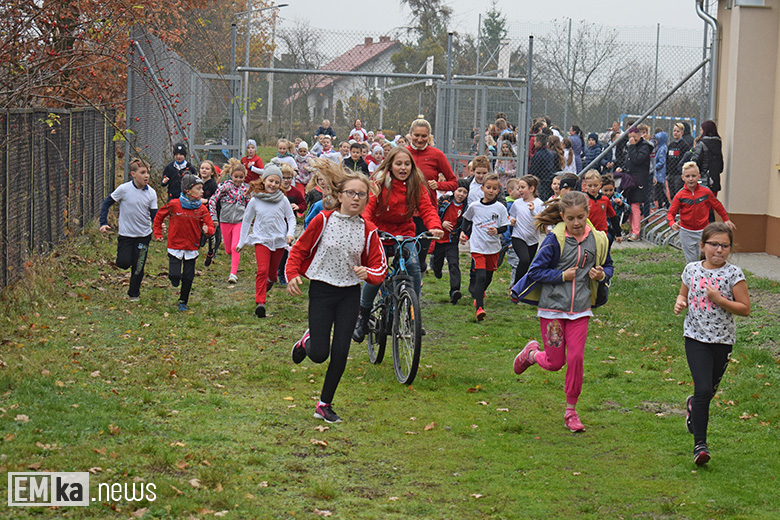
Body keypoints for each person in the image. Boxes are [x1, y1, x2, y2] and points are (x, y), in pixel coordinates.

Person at [286, 160, 387, 424]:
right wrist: (292, 274)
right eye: (351, 193)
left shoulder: (368, 229)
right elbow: (299, 249)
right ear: (340, 196)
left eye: (361, 194)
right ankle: (307, 342)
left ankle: (324, 404)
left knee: (341, 352)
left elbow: (380, 265)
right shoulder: (323, 220)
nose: (356, 198)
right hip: (322, 289)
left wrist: (369, 274)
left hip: (349, 293)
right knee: (320, 354)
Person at [511, 191, 614, 432]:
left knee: (576, 358)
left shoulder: (598, 240)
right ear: (562, 216)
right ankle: (531, 354)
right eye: (570, 218)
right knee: (555, 363)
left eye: (580, 217)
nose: (576, 223)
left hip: (580, 309)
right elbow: (535, 272)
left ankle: (571, 411)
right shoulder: (553, 240)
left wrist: (602, 274)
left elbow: (608, 266)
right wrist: (560, 276)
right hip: (553, 310)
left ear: (587, 213)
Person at [673, 222, 750, 466]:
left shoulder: (733, 274)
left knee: (708, 391)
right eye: (714, 244)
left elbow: (745, 308)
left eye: (725, 246)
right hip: (695, 338)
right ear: (702, 246)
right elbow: (683, 293)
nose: (719, 250)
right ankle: (700, 446)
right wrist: (680, 302)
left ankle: (693, 406)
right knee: (703, 388)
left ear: (730, 248)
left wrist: (719, 300)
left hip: (723, 341)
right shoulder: (692, 269)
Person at [352, 147, 444, 342]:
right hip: (379, 231)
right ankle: (363, 315)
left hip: (404, 232)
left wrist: (435, 227)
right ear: (390, 166)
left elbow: (427, 208)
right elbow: (368, 208)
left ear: (412, 167)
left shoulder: (416, 185)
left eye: (407, 164)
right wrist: (367, 228)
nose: (403, 168)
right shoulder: (378, 183)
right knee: (377, 274)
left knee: (414, 268)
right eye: (398, 164)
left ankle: (412, 315)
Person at [237, 159, 296, 318]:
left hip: (278, 240)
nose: (273, 184)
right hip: (261, 239)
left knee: (272, 275)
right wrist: (241, 241)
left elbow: (291, 218)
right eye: (271, 181)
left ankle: (267, 284)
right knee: (262, 270)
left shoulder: (283, 199)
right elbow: (247, 220)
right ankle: (260, 302)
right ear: (264, 180)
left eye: (277, 182)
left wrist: (290, 234)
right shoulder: (255, 200)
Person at [153, 174, 215, 312]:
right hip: (175, 245)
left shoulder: (201, 209)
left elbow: (210, 225)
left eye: (202, 188)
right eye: (198, 188)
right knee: (174, 275)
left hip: (192, 247)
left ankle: (183, 301)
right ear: (188, 190)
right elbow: (159, 217)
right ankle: (174, 278)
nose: (202, 192)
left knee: (188, 277)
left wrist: (208, 230)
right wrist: (158, 233)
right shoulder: (174, 205)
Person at [99, 158, 158, 301]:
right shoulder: (124, 189)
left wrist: (158, 226)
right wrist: (103, 223)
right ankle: (130, 258)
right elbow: (106, 203)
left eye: (148, 173)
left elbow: (154, 214)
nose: (146, 176)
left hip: (143, 235)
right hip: (126, 234)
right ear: (133, 174)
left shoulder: (151, 193)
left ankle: (134, 294)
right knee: (123, 262)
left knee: (138, 266)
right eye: (142, 172)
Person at [405, 118, 459, 272]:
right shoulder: (403, 154)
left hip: (426, 213)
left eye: (424, 136)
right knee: (404, 255)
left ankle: (417, 284)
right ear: (410, 134)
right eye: (416, 135)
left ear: (429, 136)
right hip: (404, 212)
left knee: (420, 259)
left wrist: (439, 185)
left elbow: (454, 182)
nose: (420, 139)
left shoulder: (436, 155)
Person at [460, 173, 510, 321]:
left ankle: (479, 294)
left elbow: (505, 227)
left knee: (488, 277)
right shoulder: (474, 206)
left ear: (498, 191)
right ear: (482, 188)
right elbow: (466, 219)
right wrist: (463, 232)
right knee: (480, 276)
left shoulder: (500, 208)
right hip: (477, 247)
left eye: (494, 188)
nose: (490, 191)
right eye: (488, 187)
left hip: (493, 248)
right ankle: (479, 308)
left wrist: (497, 230)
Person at [667, 162, 736, 264]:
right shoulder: (680, 195)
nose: (691, 179)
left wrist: (726, 219)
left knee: (705, 259)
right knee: (691, 262)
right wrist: (672, 223)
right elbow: (670, 213)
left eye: (694, 176)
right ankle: (692, 274)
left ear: (699, 177)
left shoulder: (706, 192)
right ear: (683, 178)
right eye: (687, 176)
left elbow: (717, 205)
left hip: (703, 231)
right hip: (686, 232)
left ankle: (706, 273)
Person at [209, 158, 249, 284]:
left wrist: (250, 220)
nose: (238, 179)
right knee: (228, 250)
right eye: (236, 177)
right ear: (231, 175)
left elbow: (250, 206)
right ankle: (232, 258)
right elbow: (212, 200)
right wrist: (214, 217)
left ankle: (233, 274)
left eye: (241, 177)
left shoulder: (245, 190)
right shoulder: (225, 187)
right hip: (225, 221)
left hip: (239, 222)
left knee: (235, 247)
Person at [616, 126, 653, 241]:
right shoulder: (630, 147)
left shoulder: (645, 147)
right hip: (630, 180)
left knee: (635, 205)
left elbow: (637, 160)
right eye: (630, 137)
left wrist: (632, 146)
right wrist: (622, 169)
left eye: (634, 137)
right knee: (630, 205)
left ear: (639, 135)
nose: (632, 139)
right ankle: (632, 230)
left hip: (639, 180)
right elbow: (629, 161)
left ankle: (636, 232)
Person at [432, 185, 468, 305]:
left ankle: (454, 291)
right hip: (439, 237)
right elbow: (433, 212)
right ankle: (435, 267)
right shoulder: (444, 200)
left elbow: (466, 222)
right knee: (438, 262)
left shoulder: (466, 207)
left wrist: (463, 233)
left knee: (454, 263)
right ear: (454, 191)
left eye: (464, 192)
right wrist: (441, 223)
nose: (461, 194)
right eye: (459, 191)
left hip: (452, 240)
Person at [508, 175, 544, 288]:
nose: (520, 190)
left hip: (533, 239)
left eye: (523, 187)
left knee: (527, 264)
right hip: (518, 236)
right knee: (524, 260)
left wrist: (533, 211)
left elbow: (540, 221)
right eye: (519, 187)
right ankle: (515, 286)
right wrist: (512, 220)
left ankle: (521, 287)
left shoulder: (539, 204)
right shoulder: (517, 203)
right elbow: (511, 215)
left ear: (531, 188)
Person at [582, 169, 620, 249]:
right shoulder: (583, 199)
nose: (593, 188)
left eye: (595, 185)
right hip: (587, 234)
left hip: (602, 234)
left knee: (605, 252)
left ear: (600, 185)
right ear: (585, 185)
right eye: (590, 186)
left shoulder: (605, 200)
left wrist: (618, 233)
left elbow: (613, 216)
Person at [690, 120, 724, 208]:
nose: (700, 132)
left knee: (700, 206)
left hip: (702, 180)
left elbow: (695, 161)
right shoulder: (718, 144)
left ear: (705, 131)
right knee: (712, 204)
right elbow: (720, 167)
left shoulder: (701, 144)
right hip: (714, 180)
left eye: (701, 130)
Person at [198, 160, 220, 267]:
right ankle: (199, 244)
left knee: (214, 233)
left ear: (212, 172)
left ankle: (213, 251)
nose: (204, 170)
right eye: (202, 168)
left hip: (212, 212)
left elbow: (216, 199)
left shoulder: (213, 185)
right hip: (199, 212)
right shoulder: (197, 182)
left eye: (207, 169)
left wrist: (206, 200)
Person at [529, 133, 557, 200]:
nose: (534, 143)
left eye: (535, 141)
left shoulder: (537, 155)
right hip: (547, 179)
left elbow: (534, 169)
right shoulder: (550, 153)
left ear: (539, 143)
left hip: (539, 180)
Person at [666, 123, 687, 200]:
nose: (675, 133)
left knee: (678, 193)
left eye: (678, 131)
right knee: (672, 194)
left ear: (682, 133)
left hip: (678, 174)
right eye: (674, 131)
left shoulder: (684, 145)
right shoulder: (671, 145)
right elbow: (667, 159)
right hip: (671, 173)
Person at [600, 174, 626, 238]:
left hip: (614, 224)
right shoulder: (599, 197)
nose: (608, 193)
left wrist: (621, 204)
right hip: (601, 224)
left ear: (614, 188)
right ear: (600, 188)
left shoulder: (618, 197)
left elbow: (628, 210)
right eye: (605, 191)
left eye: (611, 190)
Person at [653, 130, 669, 209]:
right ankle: (665, 204)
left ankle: (661, 205)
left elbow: (662, 162)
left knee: (659, 190)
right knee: (660, 190)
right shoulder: (660, 147)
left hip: (660, 172)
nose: (655, 141)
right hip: (659, 171)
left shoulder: (662, 149)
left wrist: (654, 167)